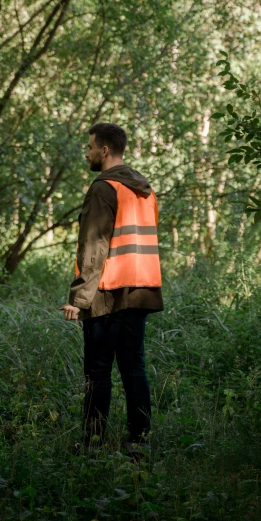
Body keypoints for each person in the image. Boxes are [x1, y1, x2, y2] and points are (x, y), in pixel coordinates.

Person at [59, 122, 164, 455]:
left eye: (90, 146)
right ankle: (139, 441)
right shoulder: (143, 189)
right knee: (134, 367)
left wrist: (79, 298)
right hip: (142, 288)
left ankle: (93, 443)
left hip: (107, 291)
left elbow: (94, 246)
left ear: (104, 151)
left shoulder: (104, 188)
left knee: (98, 371)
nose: (87, 153)